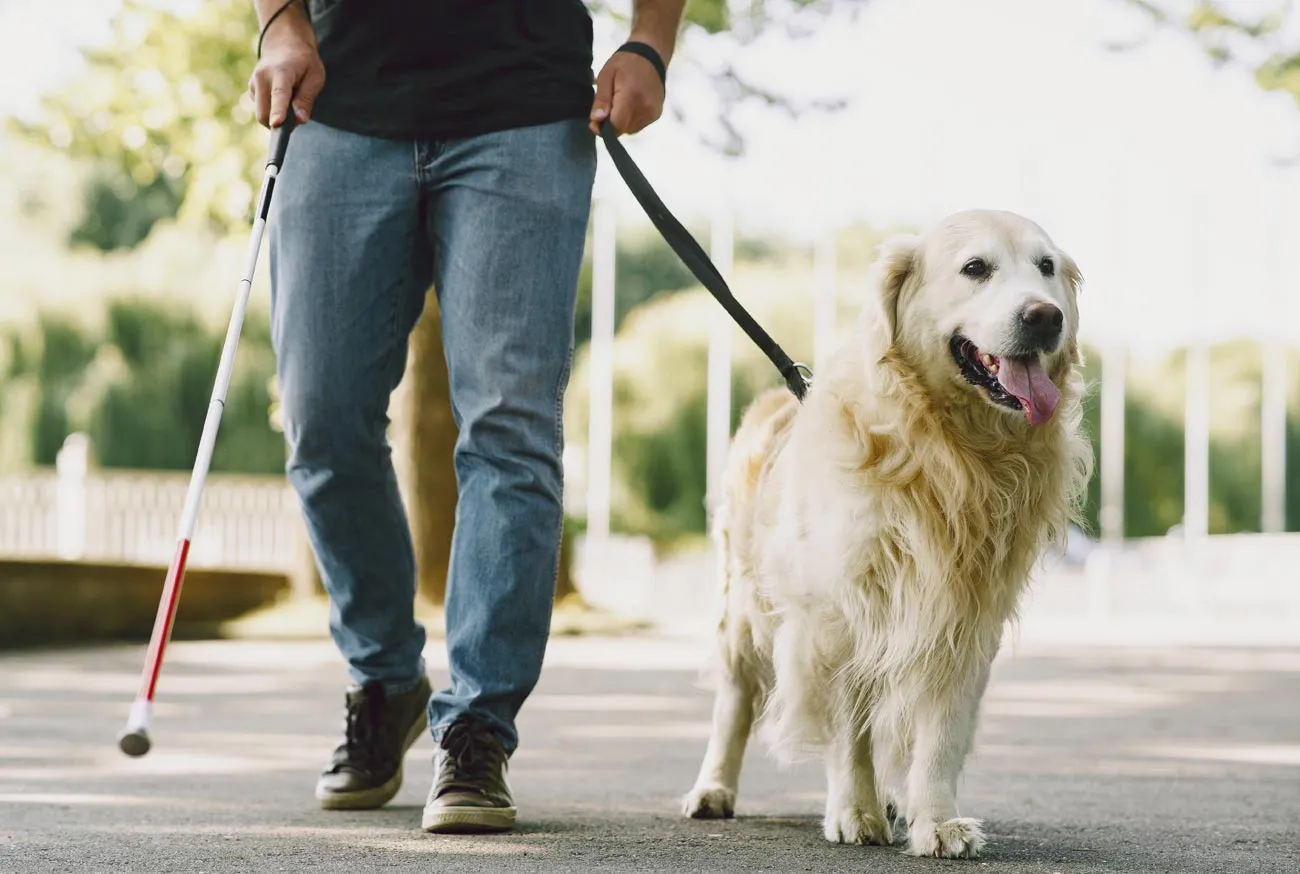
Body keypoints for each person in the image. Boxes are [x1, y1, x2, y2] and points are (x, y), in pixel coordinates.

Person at [247, 0, 685, 834]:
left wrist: (651, 43)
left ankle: (478, 725)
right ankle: (385, 680)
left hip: (523, 112)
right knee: (322, 417)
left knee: (511, 431)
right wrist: (280, 25)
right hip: (339, 105)